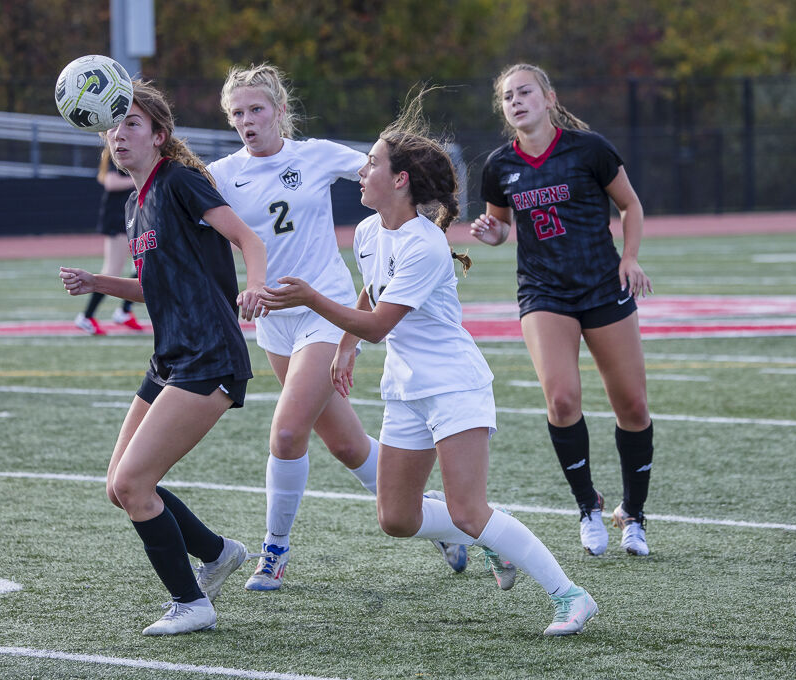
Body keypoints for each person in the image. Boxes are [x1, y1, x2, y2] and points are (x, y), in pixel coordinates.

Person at [260, 92, 597, 636]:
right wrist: (345, 348)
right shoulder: (369, 232)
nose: (362, 170)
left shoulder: (425, 244)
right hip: (405, 389)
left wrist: (313, 302)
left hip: (454, 385)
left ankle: (570, 595)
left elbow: (376, 324)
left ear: (399, 181)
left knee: (468, 509)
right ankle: (490, 540)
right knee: (396, 519)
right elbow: (371, 296)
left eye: (372, 162)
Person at [207, 63, 467, 591]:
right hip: (275, 325)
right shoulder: (220, 175)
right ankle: (436, 516)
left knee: (285, 431)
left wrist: (428, 224)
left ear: (280, 110)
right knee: (348, 447)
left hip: (323, 313)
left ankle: (273, 551)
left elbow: (391, 175)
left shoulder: (315, 155)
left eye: (257, 109)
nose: (248, 120)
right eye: (237, 113)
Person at [59, 80, 270, 636]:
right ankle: (219, 552)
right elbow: (155, 287)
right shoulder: (134, 202)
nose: (119, 133)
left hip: (210, 355)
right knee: (119, 487)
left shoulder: (179, 182)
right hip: (170, 356)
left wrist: (255, 287)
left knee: (134, 485)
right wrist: (96, 282)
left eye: (132, 123)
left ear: (158, 135)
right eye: (113, 124)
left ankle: (192, 604)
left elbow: (250, 240)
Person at [472, 63, 655, 557]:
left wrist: (631, 257)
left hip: (601, 284)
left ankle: (634, 514)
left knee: (632, 405)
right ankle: (587, 507)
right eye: (508, 96)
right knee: (562, 400)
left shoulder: (588, 148)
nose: (516, 101)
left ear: (548, 97)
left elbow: (630, 206)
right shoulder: (499, 166)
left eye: (525, 91)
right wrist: (492, 234)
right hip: (543, 292)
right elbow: (499, 225)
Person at [73, 154, 145, 335]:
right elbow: (111, 183)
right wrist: (140, 179)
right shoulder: (118, 153)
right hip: (117, 219)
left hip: (134, 216)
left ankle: (124, 311)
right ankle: (86, 317)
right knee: (112, 269)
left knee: (145, 262)